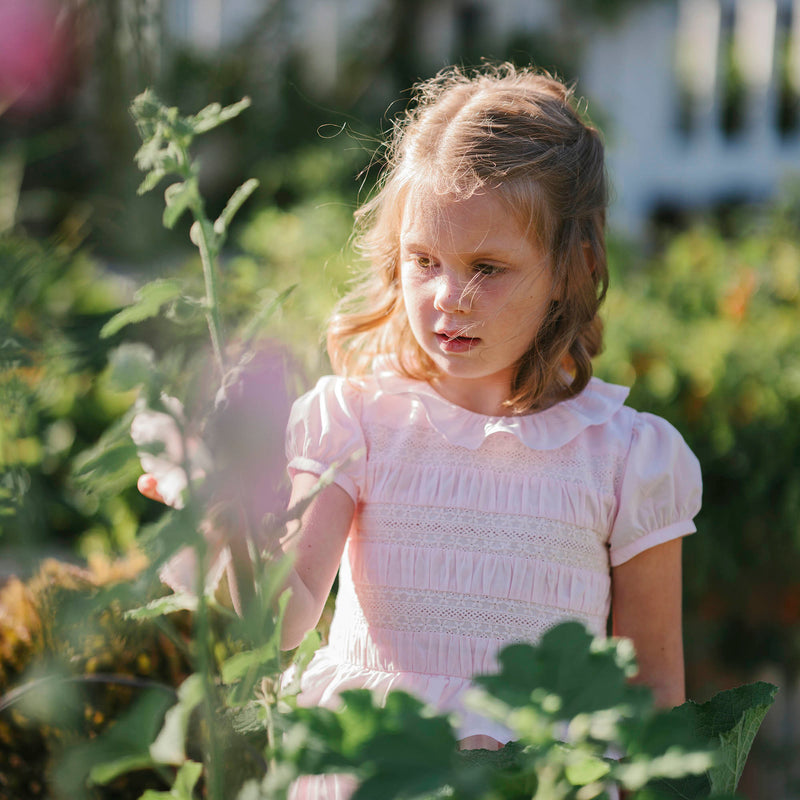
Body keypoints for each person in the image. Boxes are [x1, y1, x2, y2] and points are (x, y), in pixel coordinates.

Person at [138, 63, 702, 798]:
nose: (448, 297)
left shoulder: (628, 460)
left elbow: (652, 689)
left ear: (571, 268)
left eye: (487, 268)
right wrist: (216, 515)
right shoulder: (357, 424)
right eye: (423, 260)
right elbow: (282, 614)